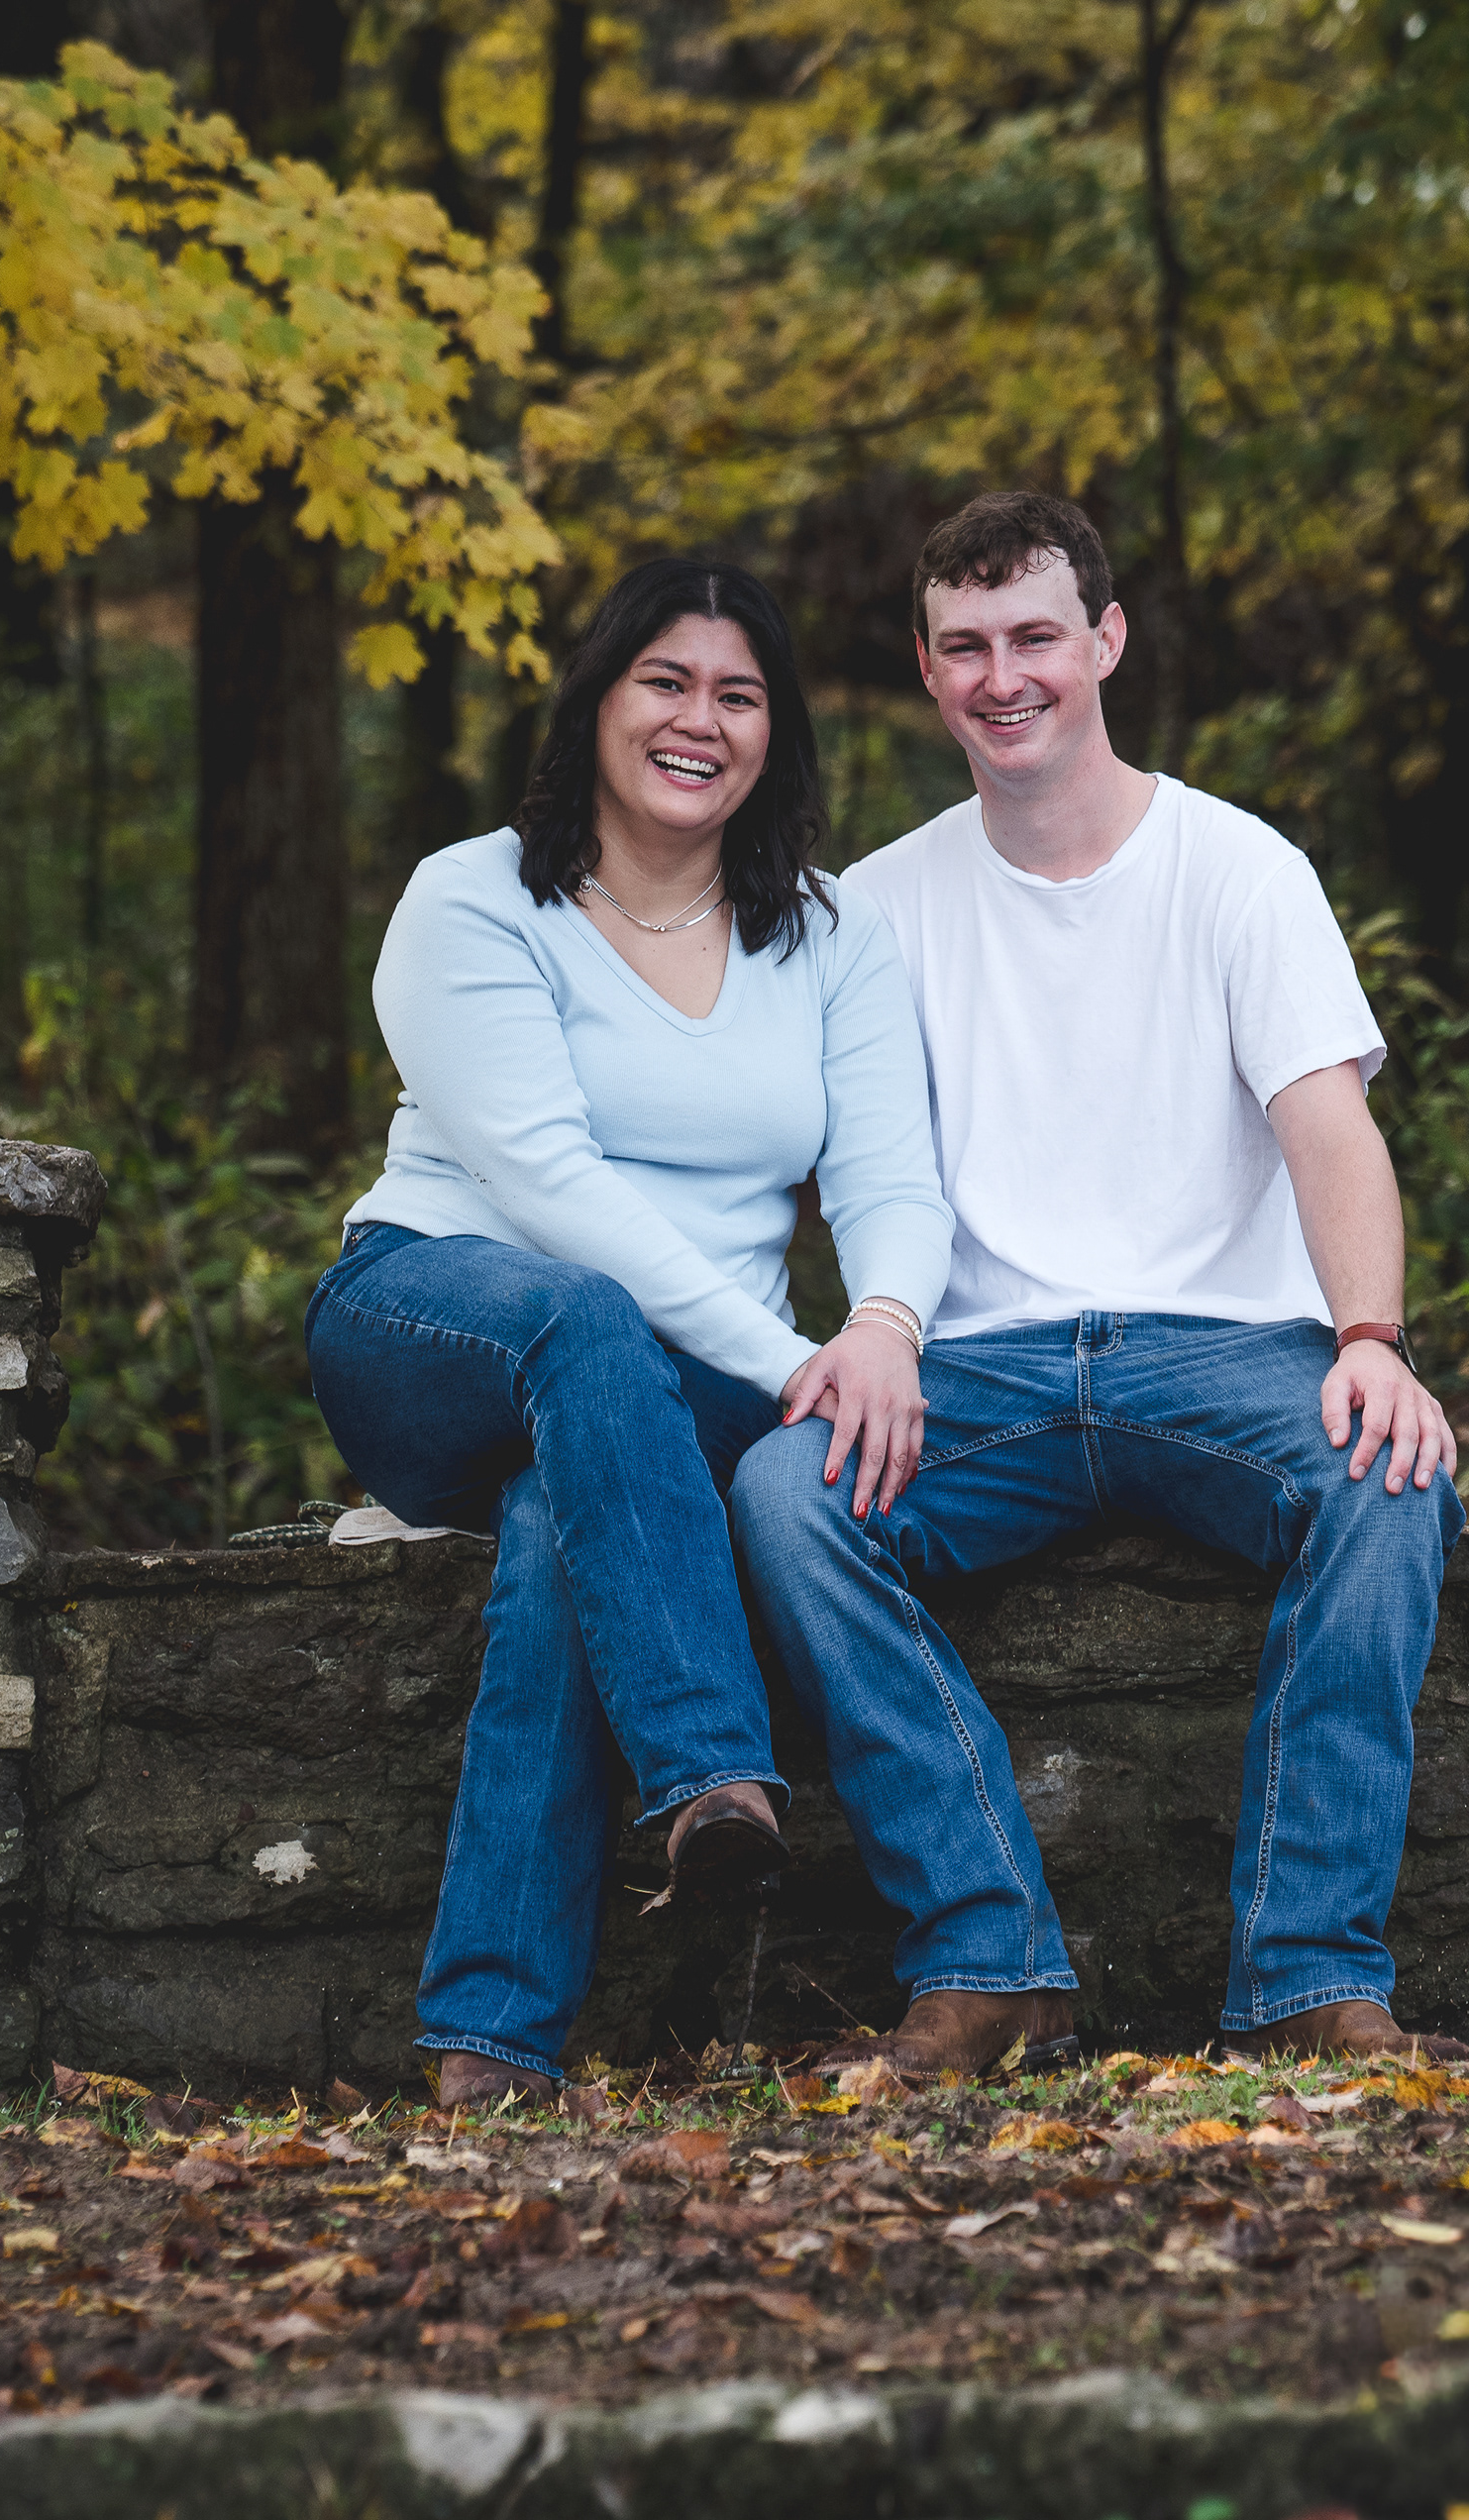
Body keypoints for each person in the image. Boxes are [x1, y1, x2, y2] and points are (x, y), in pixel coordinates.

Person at [732, 490, 1465, 2078]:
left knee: (1391, 1481)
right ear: (928, 673)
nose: (1006, 677)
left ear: (1106, 642)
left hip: (1227, 1360)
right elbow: (840, 1169)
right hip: (981, 1374)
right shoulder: (876, 909)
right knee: (788, 1492)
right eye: (967, 647)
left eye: (1037, 638)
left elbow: (1326, 1124)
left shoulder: (1238, 869)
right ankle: (990, 1964)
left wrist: (1369, 1339)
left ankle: (1309, 1980)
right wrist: (874, 1334)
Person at [305, 557, 953, 2110]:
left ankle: (485, 2043)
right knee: (586, 1324)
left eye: (739, 694)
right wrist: (785, 1354)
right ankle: (711, 1772)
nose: (699, 720)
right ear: (598, 698)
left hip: (680, 1391)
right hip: (439, 1315)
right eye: (666, 681)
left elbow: (892, 1175)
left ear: (774, 733)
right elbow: (544, 1183)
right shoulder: (472, 898)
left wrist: (878, 1327)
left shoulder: (827, 933)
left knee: (557, 1523)